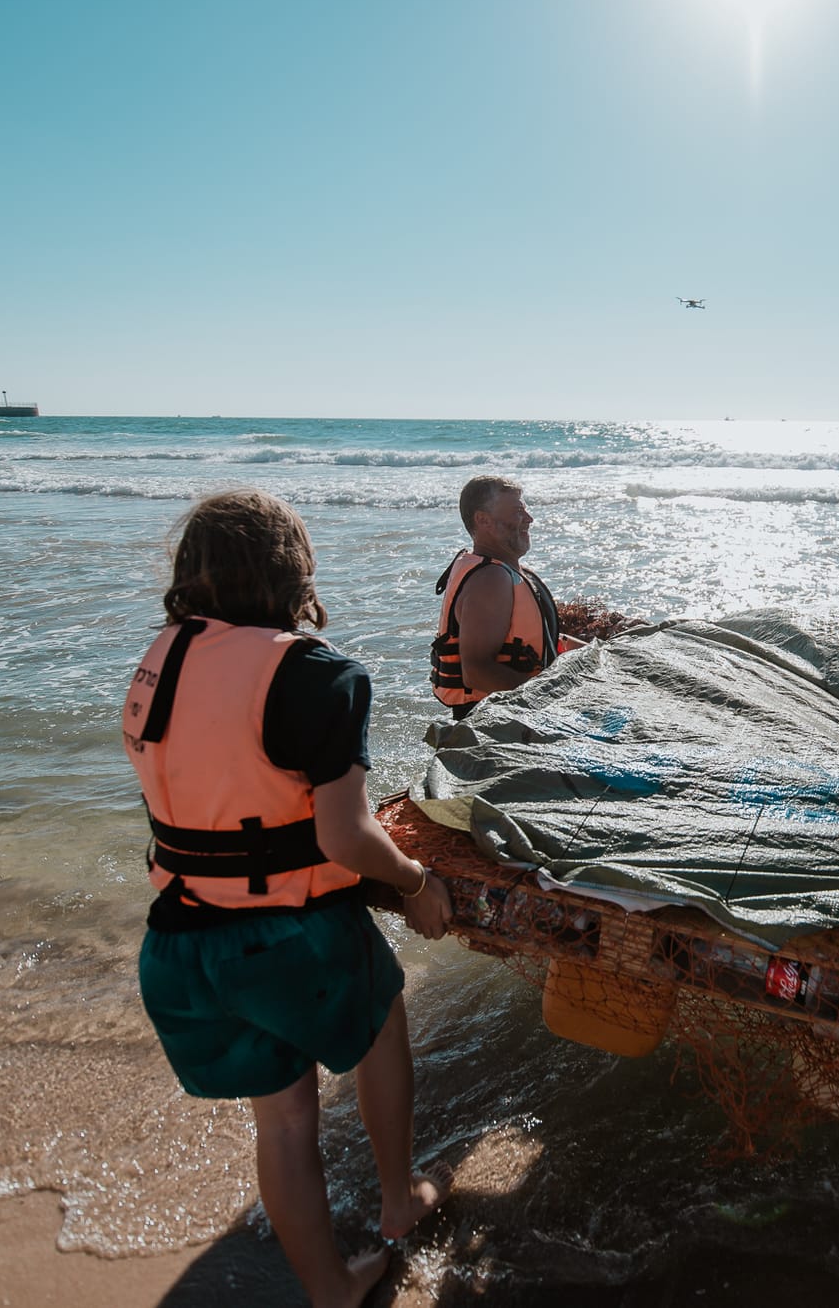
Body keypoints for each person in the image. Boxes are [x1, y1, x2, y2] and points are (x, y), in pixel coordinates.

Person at [123, 490, 455, 1308]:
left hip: (181, 944)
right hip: (291, 940)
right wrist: (416, 883)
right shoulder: (317, 675)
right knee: (381, 1020)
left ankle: (330, 1288)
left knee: (283, 1121)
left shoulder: (159, 659)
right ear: (291, 570)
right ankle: (398, 1196)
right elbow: (344, 836)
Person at [430, 475, 567, 718]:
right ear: (483, 520)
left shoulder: (508, 571)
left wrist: (601, 653)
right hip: (494, 722)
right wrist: (552, 698)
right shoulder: (490, 579)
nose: (529, 519)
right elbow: (476, 672)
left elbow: (540, 639)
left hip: (519, 713)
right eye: (517, 512)